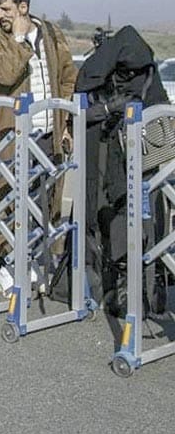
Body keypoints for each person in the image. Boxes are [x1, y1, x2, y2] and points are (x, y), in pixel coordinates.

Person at [0, 0, 77, 268]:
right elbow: (5, 74)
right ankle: (6, 263)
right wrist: (19, 42)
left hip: (49, 131)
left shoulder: (50, 33)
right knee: (9, 198)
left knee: (47, 198)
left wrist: (66, 122)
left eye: (6, 8)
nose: (0, 15)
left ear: (23, 7)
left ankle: (44, 260)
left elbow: (67, 75)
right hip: (13, 135)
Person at [74, 25, 169, 312]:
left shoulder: (144, 78)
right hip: (116, 163)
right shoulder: (141, 73)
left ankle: (142, 293)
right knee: (119, 225)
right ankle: (125, 291)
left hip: (140, 167)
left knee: (139, 226)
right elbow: (83, 101)